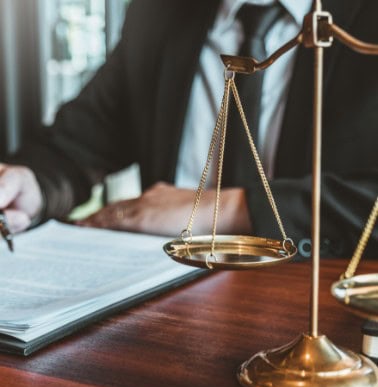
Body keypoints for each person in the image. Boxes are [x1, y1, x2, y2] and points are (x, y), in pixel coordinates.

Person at [0, 0, 377, 259]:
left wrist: (229, 209)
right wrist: (30, 184)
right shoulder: (160, 13)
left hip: (323, 321)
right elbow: (73, 146)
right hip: (168, 309)